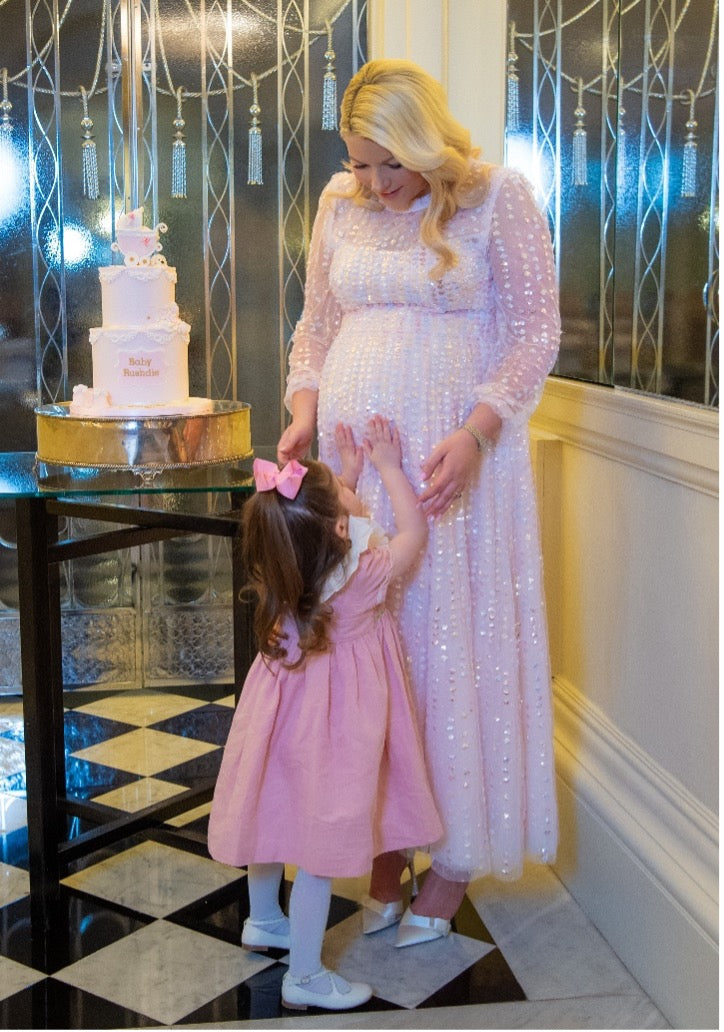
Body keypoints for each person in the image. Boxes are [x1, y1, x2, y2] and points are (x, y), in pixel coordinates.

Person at [277, 58, 560, 945]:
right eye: (358, 162)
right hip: (357, 465)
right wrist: (302, 413)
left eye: (386, 164)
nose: (371, 183)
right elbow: (317, 327)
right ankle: (384, 846)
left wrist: (476, 433)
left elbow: (534, 332)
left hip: (452, 468)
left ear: (425, 141)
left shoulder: (496, 197)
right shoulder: (337, 203)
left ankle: (453, 859)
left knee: (451, 641)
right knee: (369, 642)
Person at [208, 415, 443, 1011]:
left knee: (270, 815)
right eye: (339, 492)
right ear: (339, 526)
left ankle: (263, 919)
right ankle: (306, 976)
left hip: (277, 723)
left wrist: (347, 477)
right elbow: (411, 533)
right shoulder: (364, 575)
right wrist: (389, 469)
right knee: (319, 847)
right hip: (333, 730)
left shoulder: (283, 566)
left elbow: (324, 524)